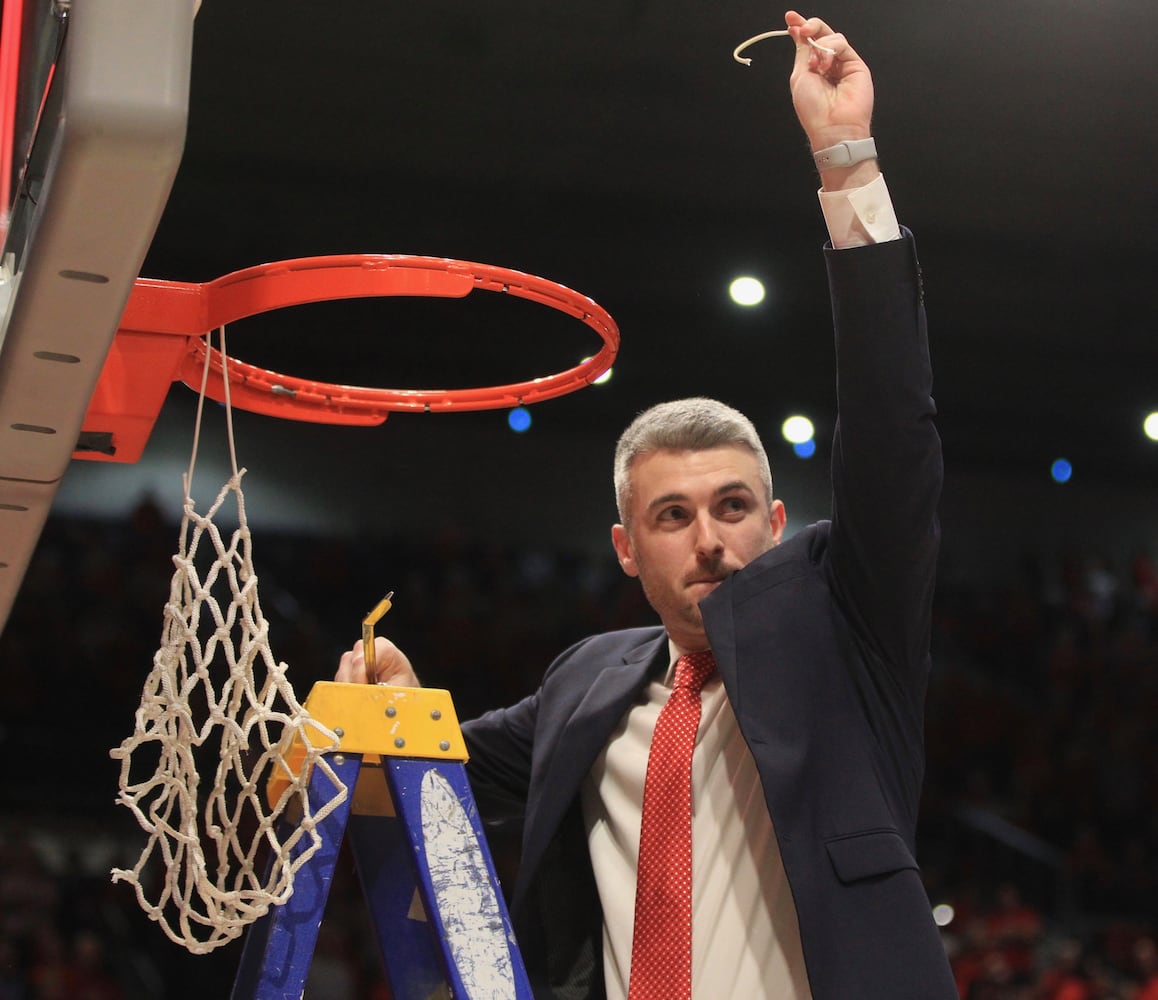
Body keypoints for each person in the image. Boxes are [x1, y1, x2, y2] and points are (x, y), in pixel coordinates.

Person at [336, 10, 957, 999]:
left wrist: (845, 163)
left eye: (733, 505)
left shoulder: (851, 633)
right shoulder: (585, 684)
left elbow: (894, 428)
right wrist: (399, 703)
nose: (709, 539)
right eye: (673, 516)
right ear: (626, 547)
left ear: (779, 523)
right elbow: (438, 758)